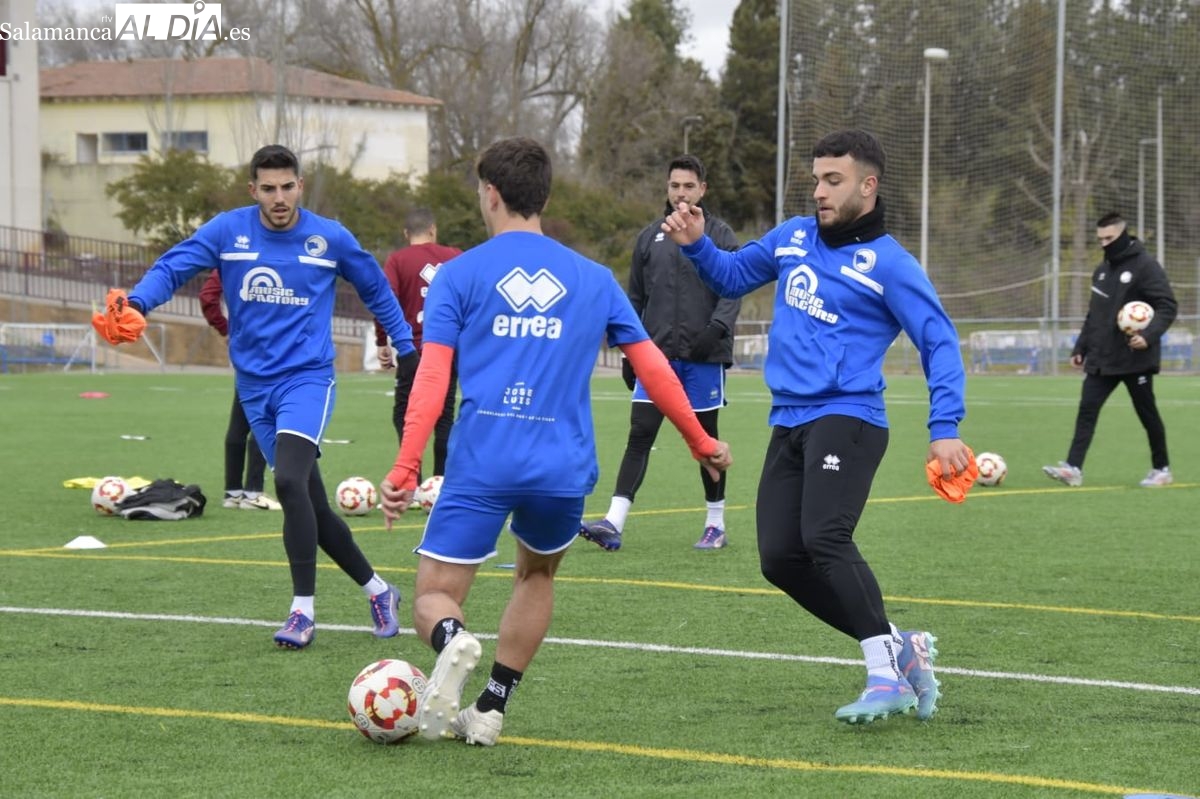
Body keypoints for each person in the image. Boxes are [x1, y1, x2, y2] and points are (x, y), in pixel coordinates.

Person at [377, 137, 733, 746]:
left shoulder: (460, 275)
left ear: (490, 194)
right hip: (562, 465)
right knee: (535, 577)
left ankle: (452, 641)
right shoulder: (592, 279)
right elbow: (652, 367)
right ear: (542, 196)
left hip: (485, 458)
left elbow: (433, 377)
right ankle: (491, 706)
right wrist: (700, 439)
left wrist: (408, 464)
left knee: (435, 595)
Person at [661, 129, 970, 725]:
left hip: (848, 416)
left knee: (826, 537)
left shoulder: (890, 264)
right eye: (816, 180)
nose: (820, 191)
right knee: (780, 559)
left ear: (868, 186)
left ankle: (886, 676)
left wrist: (945, 424)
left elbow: (938, 340)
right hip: (789, 420)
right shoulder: (793, 237)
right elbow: (729, 276)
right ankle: (901, 644)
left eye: (834, 180)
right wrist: (699, 245)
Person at [91, 144, 416, 650]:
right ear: (253, 190)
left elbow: (376, 290)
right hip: (253, 385)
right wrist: (136, 301)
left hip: (307, 379)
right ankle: (378, 589)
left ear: (300, 185)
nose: (279, 197)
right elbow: (173, 267)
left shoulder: (330, 238)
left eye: (288, 186)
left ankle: (302, 613)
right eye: (269, 188)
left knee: (286, 480)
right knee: (310, 501)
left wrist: (406, 344)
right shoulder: (229, 230)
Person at [579, 155, 741, 552]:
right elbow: (634, 299)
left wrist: (716, 330)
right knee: (640, 433)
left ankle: (715, 524)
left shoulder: (720, 235)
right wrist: (629, 353)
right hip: (656, 359)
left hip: (703, 359)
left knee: (707, 442)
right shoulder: (649, 237)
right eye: (674, 186)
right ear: (667, 190)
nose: (681, 193)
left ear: (703, 189)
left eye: (688, 186)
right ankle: (613, 521)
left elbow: (733, 288)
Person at [1043, 212, 1178, 488]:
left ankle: (1161, 468)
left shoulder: (1146, 266)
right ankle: (1073, 468)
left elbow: (1167, 305)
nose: (1104, 244)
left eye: (1110, 238)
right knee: (1087, 410)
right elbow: (1095, 314)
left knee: (1146, 412)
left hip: (1135, 357)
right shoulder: (1102, 271)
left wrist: (1148, 336)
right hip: (1102, 358)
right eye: (1100, 239)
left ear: (1123, 235)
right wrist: (1080, 347)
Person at [373, 208, 463, 486]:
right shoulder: (455, 256)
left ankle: (411, 480)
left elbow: (384, 300)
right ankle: (440, 483)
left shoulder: (399, 260)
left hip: (414, 349)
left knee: (405, 412)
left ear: (406, 233)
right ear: (433, 229)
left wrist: (381, 341)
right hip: (449, 349)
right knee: (444, 415)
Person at [199, 269, 282, 511]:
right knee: (264, 416)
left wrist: (225, 329)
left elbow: (207, 296)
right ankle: (253, 492)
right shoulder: (275, 254)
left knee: (241, 417)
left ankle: (233, 492)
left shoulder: (232, 255)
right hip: (276, 346)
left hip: (244, 346)